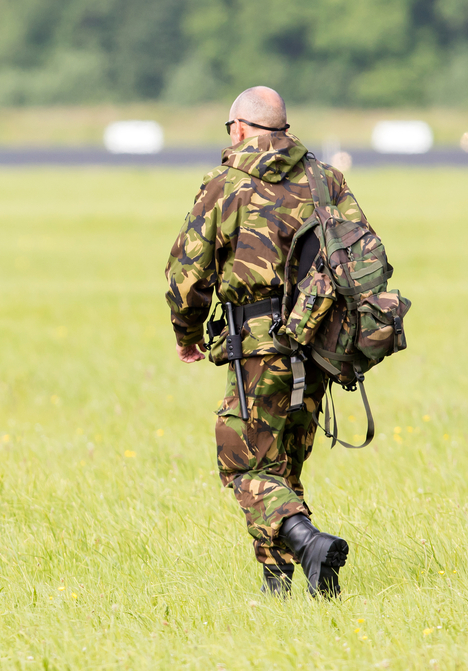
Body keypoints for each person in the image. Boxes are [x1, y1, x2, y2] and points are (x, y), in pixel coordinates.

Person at [164, 86, 370, 597]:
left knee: (245, 464)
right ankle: (285, 587)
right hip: (318, 345)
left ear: (238, 128)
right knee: (281, 470)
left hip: (257, 346)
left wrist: (187, 335)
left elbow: (187, 276)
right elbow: (360, 258)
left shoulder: (224, 184)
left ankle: (310, 543)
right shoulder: (326, 179)